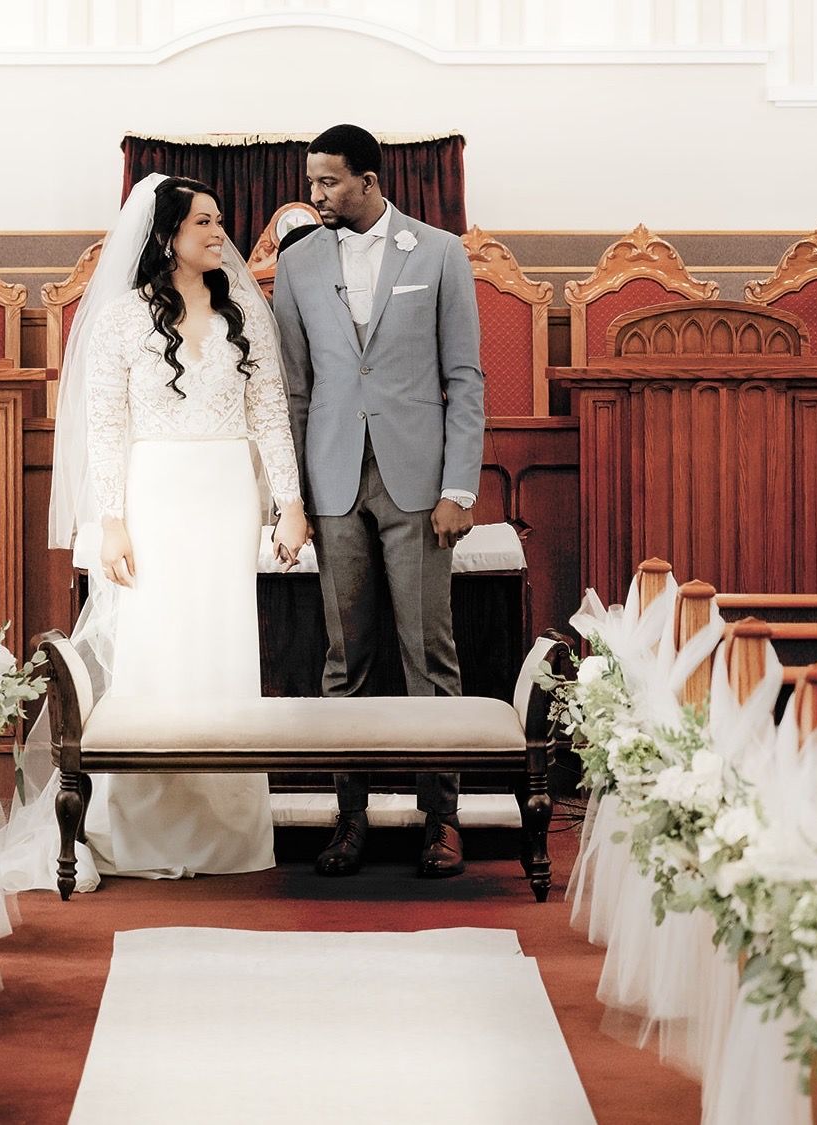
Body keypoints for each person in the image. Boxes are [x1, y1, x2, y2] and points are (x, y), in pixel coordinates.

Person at [2, 175, 309, 888]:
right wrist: (111, 522)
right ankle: (141, 820)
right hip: (156, 497)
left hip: (228, 494)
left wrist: (287, 505)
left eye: (218, 220)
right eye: (203, 221)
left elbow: (270, 414)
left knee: (222, 645)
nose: (218, 233)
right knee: (156, 647)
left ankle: (224, 825)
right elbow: (107, 429)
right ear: (166, 234)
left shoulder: (246, 314)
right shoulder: (120, 320)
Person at [273, 124, 485, 878]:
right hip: (332, 481)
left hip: (420, 485)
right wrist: (288, 496)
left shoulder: (439, 252)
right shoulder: (296, 265)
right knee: (344, 657)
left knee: (429, 654)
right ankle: (350, 817)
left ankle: (443, 818)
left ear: (369, 180)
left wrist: (459, 485)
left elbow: (464, 378)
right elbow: (294, 388)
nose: (316, 194)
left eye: (328, 181)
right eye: (312, 180)